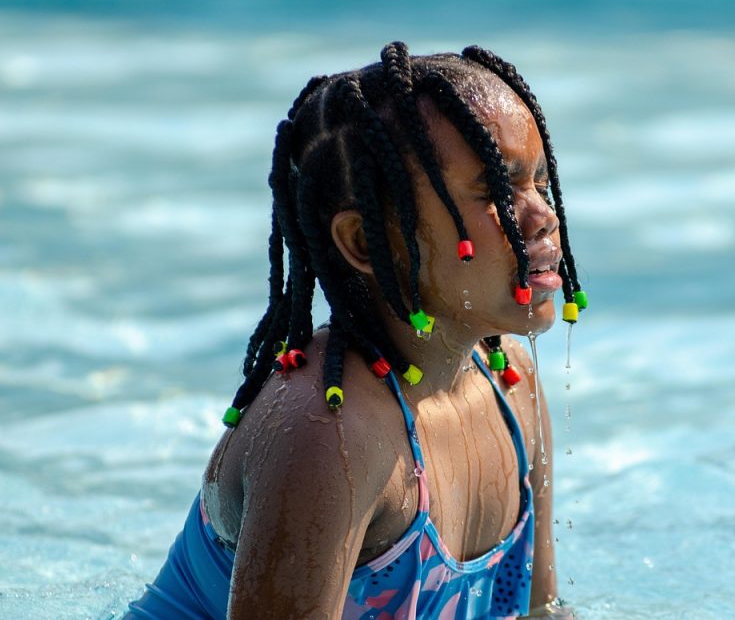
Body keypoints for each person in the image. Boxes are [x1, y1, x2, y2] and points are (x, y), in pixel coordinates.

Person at [125, 42, 588, 619]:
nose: (542, 215)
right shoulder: (327, 434)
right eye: (495, 189)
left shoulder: (511, 384)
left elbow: (541, 613)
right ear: (367, 243)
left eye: (540, 183)